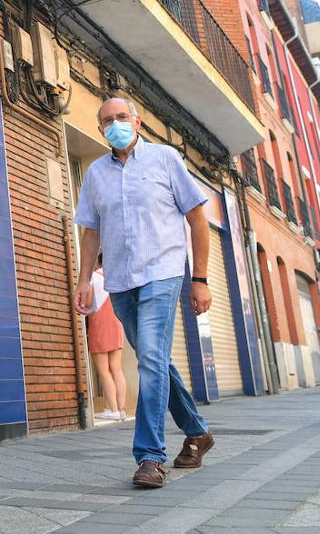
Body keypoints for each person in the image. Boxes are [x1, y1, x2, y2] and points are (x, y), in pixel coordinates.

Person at [73, 97, 215, 489]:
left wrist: (199, 279)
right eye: (107, 120)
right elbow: (91, 232)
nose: (115, 124)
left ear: (136, 121)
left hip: (163, 273)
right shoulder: (96, 174)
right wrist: (85, 279)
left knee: (150, 359)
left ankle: (150, 457)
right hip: (120, 281)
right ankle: (198, 433)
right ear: (100, 129)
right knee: (158, 362)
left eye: (122, 117)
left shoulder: (165, 158)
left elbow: (197, 219)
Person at [86, 265, 129, 421]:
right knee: (116, 368)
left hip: (100, 323)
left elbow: (88, 301)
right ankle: (122, 409)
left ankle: (113, 409)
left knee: (103, 370)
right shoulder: (119, 276)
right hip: (117, 322)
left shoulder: (94, 276)